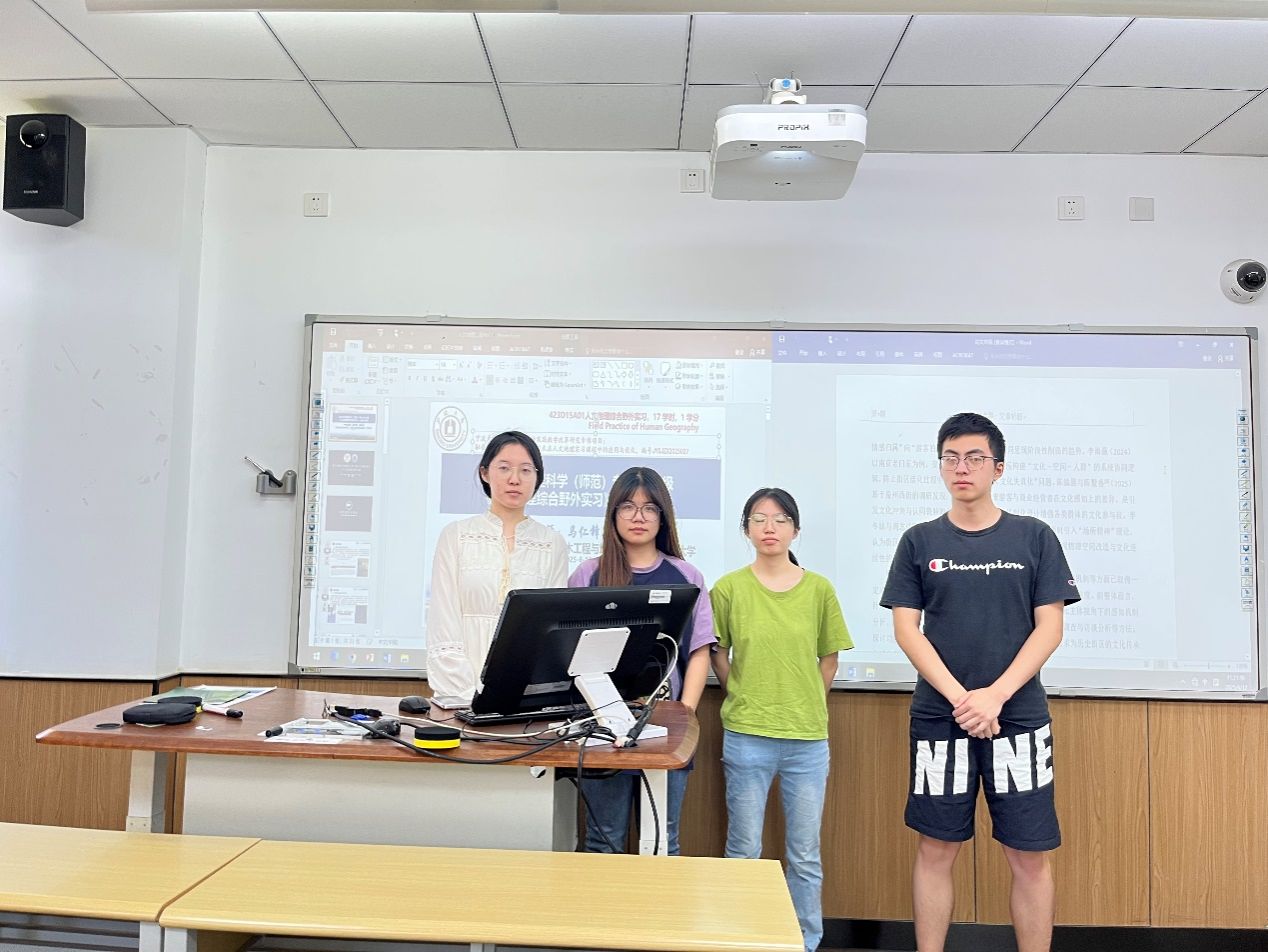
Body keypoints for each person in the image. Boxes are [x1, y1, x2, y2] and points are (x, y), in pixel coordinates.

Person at [880, 412, 1081, 952]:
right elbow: (906, 629)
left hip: (1019, 719)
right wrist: (962, 700)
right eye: (950, 458)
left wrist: (995, 696)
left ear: (998, 468)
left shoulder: (1034, 536)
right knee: (936, 848)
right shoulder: (918, 541)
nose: (961, 468)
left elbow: (1050, 627)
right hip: (940, 719)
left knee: (1028, 854)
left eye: (974, 457)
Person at [711, 488, 851, 952]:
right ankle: (740, 940)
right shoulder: (728, 588)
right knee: (743, 849)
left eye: (780, 519)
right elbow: (718, 652)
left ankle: (804, 941)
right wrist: (741, 692)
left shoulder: (819, 589)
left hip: (807, 740)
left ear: (795, 529)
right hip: (746, 735)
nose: (769, 528)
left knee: (804, 854)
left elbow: (828, 658)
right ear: (746, 529)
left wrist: (806, 699)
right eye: (758, 519)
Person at [567, 466, 716, 856]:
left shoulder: (686, 576)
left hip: (666, 728)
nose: (639, 517)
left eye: (650, 508)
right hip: (600, 728)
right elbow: (568, 655)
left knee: (662, 842)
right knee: (603, 840)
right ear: (613, 514)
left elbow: (700, 650)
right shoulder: (588, 574)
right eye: (628, 507)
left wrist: (684, 714)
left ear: (663, 517)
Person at [426, 430, 569, 705]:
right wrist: (467, 696)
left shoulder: (552, 543)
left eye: (525, 470)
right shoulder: (456, 535)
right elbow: (443, 623)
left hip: (522, 696)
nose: (515, 479)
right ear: (485, 473)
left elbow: (550, 634)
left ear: (537, 477)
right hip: (458, 694)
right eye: (504, 468)